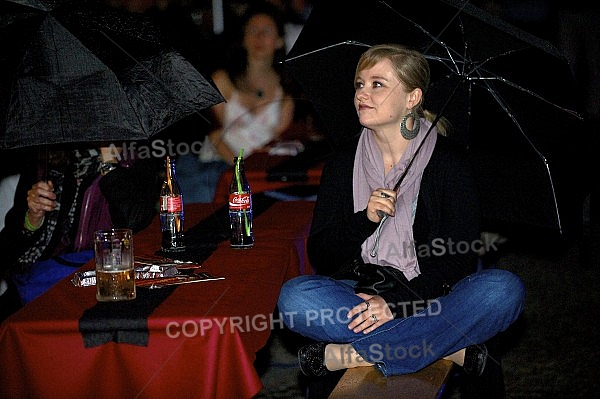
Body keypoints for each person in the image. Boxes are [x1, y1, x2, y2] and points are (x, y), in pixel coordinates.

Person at [277, 44, 525, 387]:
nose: (363, 93)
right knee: (295, 298)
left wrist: (396, 303)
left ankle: (349, 354)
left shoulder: (448, 163)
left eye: (378, 84)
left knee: (503, 290)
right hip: (358, 295)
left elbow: (458, 258)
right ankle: (450, 350)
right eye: (359, 84)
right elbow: (321, 254)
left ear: (412, 98)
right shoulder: (341, 164)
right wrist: (364, 218)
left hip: (431, 297)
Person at [0, 143, 162, 317]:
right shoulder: (45, 161)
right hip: (40, 283)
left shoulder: (134, 160)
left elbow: (136, 222)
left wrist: (110, 166)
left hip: (104, 283)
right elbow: (7, 249)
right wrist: (32, 219)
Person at [177, 2, 295, 203]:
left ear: (278, 41)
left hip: (258, 175)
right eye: (253, 30)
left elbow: (278, 143)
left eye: (266, 31)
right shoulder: (223, 80)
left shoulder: (285, 94)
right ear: (243, 37)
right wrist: (239, 169)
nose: (258, 38)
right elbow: (213, 132)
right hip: (217, 167)